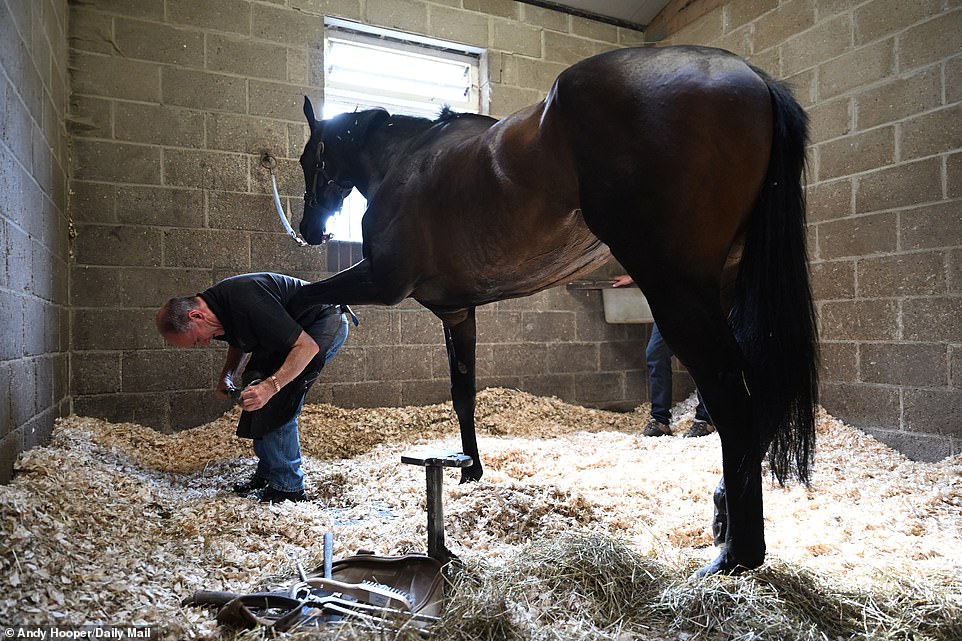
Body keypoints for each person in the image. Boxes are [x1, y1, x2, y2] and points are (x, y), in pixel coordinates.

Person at [156, 272, 354, 502]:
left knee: (277, 400)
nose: (205, 342)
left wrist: (272, 387)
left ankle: (288, 489)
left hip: (321, 322)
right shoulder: (217, 311)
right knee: (254, 386)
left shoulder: (246, 300)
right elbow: (238, 341)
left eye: (196, 339)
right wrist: (227, 375)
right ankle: (269, 473)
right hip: (292, 332)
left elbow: (306, 347)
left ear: (196, 316)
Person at [612, 275, 715, 438]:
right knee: (655, 353)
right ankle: (660, 421)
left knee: (702, 356)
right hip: (669, 307)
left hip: (699, 302)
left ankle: (705, 420)